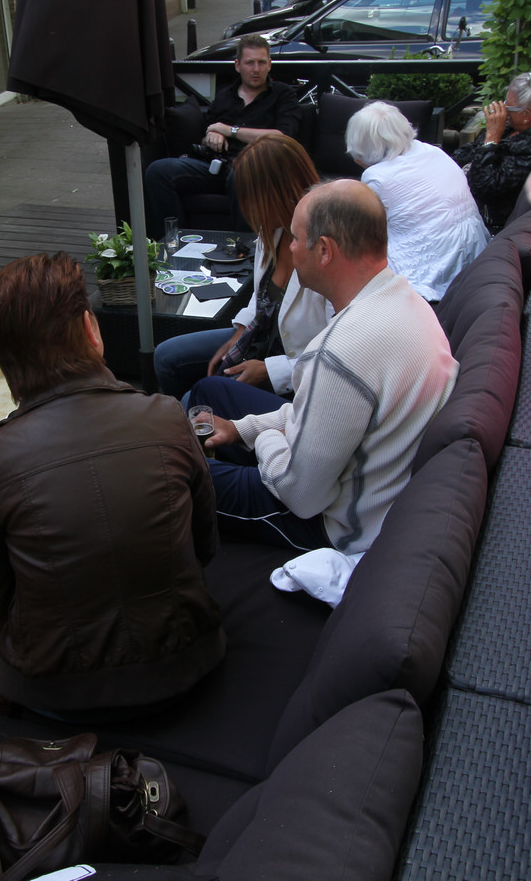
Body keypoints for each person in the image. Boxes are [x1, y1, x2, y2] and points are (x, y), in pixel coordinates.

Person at [0, 253, 224, 719]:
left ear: (3, 361)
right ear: (91, 329)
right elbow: (205, 546)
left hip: (55, 693)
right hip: (185, 665)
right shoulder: (167, 416)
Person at [192, 180, 458, 555]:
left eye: (296, 238)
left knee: (177, 473)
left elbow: (300, 496)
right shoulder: (407, 300)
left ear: (324, 250)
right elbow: (320, 412)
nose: (290, 248)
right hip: (360, 479)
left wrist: (265, 439)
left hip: (334, 526)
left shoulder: (342, 351)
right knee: (210, 391)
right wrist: (241, 429)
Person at [153, 135, 333, 403]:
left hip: (297, 369)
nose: (246, 208)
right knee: (166, 357)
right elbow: (261, 298)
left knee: (194, 400)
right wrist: (239, 332)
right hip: (259, 338)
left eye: (249, 197)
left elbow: (338, 353)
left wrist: (270, 371)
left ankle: (208, 420)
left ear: (276, 193)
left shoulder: (326, 251)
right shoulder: (272, 230)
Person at [143, 34, 303, 237]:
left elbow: (282, 137)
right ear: (238, 65)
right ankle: (175, 242)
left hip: (258, 170)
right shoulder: (225, 95)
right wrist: (211, 135)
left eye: (262, 62)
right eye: (250, 63)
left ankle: (244, 248)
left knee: (241, 172)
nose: (256, 69)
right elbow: (208, 131)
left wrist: (230, 130)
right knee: (158, 171)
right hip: (217, 166)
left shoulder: (283, 94)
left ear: (269, 64)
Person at [346, 101, 490, 302]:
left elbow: (367, 232)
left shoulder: (377, 177)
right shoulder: (432, 151)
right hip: (475, 248)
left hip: (438, 264)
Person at [448, 62, 531, 233]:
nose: (503, 109)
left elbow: (483, 186)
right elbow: (466, 152)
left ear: (526, 115)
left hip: (481, 222)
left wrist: (491, 137)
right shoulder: (512, 129)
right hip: (458, 199)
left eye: (508, 106)